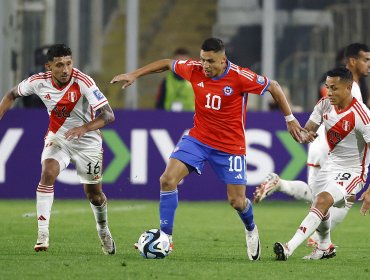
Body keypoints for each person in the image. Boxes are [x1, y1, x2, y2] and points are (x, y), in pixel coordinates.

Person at [111, 37, 305, 260]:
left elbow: (274, 86)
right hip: (198, 140)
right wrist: (134, 74)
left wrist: (290, 119)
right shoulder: (194, 69)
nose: (205, 65)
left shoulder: (240, 77)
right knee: (167, 180)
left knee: (237, 202)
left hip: (230, 147)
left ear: (223, 61)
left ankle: (251, 228)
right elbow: (166, 63)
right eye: (203, 59)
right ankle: (165, 238)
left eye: (210, 61)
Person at [0, 44, 116, 254]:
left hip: (88, 141)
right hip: (59, 138)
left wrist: (84, 127)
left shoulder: (83, 82)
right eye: (60, 65)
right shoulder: (38, 82)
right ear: (49, 66)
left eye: (69, 64)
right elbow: (11, 95)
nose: (65, 69)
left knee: (94, 195)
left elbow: (108, 115)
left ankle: (103, 229)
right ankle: (42, 235)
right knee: (48, 172)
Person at [253, 42, 370, 246]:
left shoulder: (346, 86)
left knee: (318, 196)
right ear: (353, 61)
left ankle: (281, 185)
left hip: (320, 145)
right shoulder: (353, 90)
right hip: (336, 149)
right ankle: (319, 241)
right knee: (337, 201)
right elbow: (347, 119)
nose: (369, 64)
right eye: (366, 59)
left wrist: (303, 130)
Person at [274, 67, 370, 261]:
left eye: (334, 88)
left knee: (322, 201)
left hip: (353, 171)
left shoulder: (362, 115)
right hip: (329, 165)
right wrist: (302, 133)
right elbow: (306, 132)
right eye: (327, 87)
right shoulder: (324, 104)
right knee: (320, 206)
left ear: (349, 87)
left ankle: (288, 248)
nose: (329, 92)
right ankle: (325, 247)